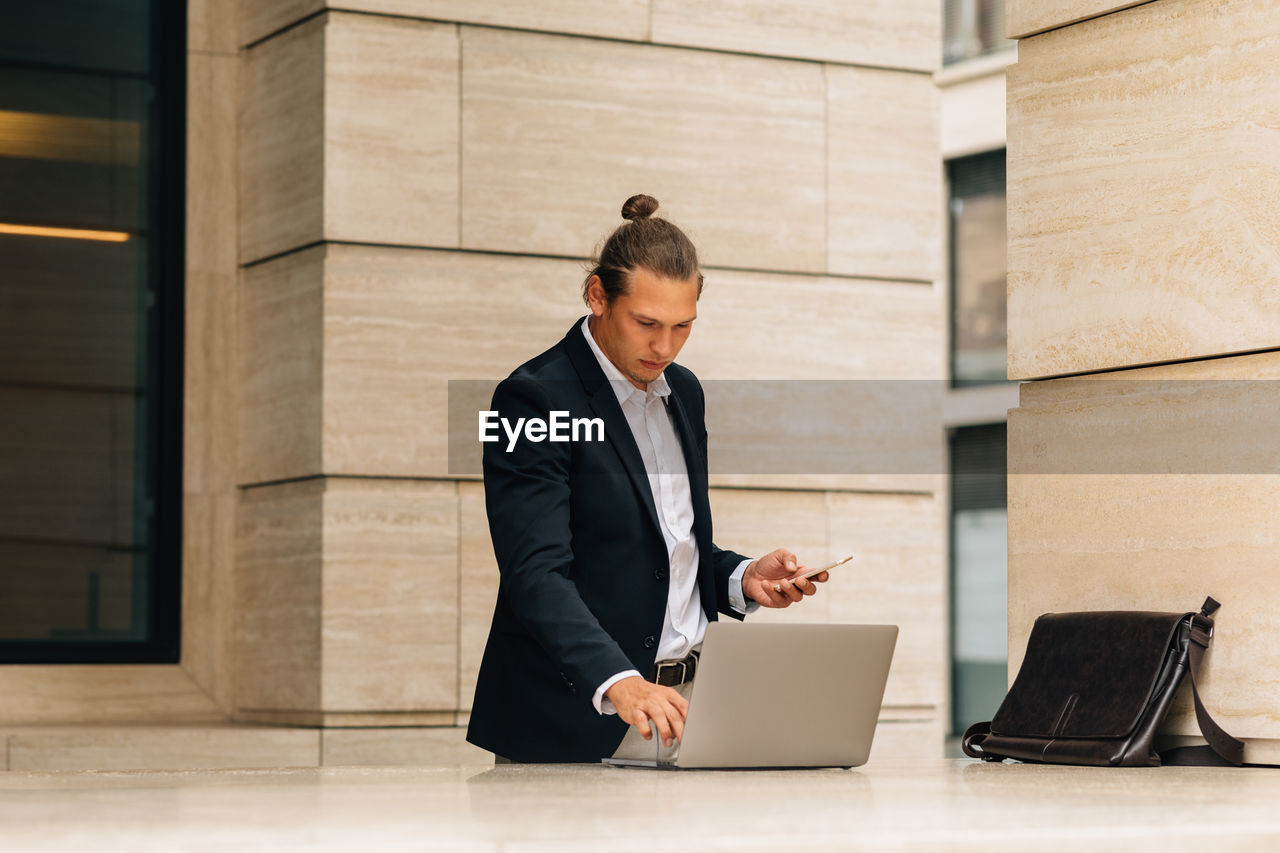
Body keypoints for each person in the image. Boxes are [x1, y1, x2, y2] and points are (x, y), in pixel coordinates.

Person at [466, 194, 829, 763]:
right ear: (597, 296)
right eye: (647, 323)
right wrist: (618, 680)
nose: (664, 346)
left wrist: (739, 578)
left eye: (683, 326)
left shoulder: (683, 391)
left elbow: (666, 545)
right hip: (575, 718)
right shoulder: (530, 400)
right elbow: (534, 572)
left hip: (687, 708)